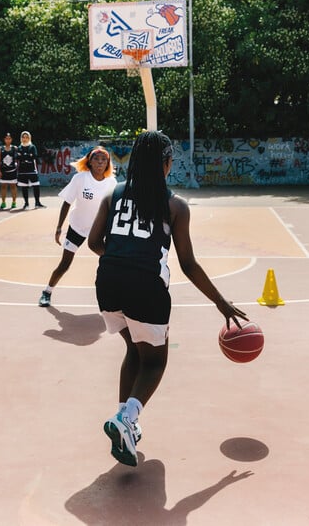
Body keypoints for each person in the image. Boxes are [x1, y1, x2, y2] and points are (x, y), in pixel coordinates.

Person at [88, 131, 248, 468]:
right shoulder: (175, 205)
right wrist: (221, 302)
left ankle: (124, 423)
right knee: (156, 361)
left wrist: (119, 256)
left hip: (107, 284)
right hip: (145, 288)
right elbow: (188, 264)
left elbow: (93, 243)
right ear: (167, 164)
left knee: (133, 349)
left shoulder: (113, 196)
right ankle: (126, 420)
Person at [39, 146, 117, 308]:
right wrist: (59, 227)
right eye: (96, 159)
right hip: (77, 227)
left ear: (108, 163)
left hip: (99, 230)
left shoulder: (112, 182)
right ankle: (47, 292)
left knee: (110, 263)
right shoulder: (80, 179)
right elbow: (67, 202)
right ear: (89, 161)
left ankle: (113, 297)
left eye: (104, 160)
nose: (100, 162)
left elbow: (113, 209)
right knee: (65, 264)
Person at [16, 131, 44, 209]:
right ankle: (26, 204)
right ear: (21, 138)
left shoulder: (32, 147)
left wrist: (23, 155)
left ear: (29, 138)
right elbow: (17, 157)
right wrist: (28, 155)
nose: (25, 139)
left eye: (27, 137)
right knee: (24, 187)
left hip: (32, 170)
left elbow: (34, 156)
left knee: (36, 186)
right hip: (22, 171)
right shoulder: (19, 147)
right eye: (23, 137)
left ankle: (37, 203)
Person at [0, 132, 18, 209]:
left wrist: (16, 166)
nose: (8, 140)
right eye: (6, 138)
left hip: (12, 171)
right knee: (3, 187)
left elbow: (17, 159)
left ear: (11, 139)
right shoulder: (1, 148)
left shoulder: (15, 148)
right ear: (4, 139)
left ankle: (14, 202)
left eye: (9, 138)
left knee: (13, 186)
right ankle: (3, 202)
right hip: (3, 171)